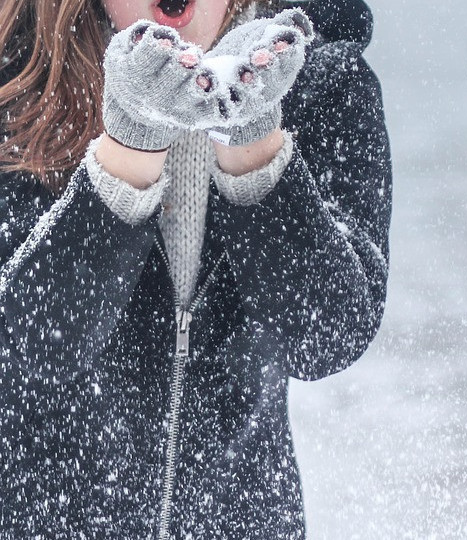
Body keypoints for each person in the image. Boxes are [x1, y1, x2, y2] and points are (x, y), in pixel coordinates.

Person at [0, 0, 391, 537]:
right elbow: (24, 349)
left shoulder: (322, 81)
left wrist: (254, 142)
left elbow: (328, 336)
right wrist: (129, 148)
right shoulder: (15, 80)